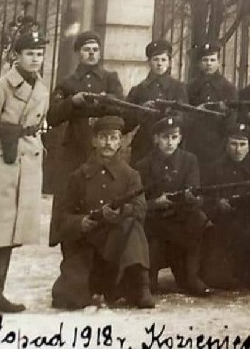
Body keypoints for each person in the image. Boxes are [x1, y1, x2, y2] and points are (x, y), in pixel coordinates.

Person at [0, 29, 50, 318]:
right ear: (16, 56)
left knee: (12, 232)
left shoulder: (41, 87)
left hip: (27, 161)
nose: (35, 59)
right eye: (30, 54)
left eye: (39, 54)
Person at [50, 116, 153, 309]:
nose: (108, 143)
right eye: (103, 137)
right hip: (86, 246)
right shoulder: (78, 176)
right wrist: (81, 222)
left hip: (115, 249)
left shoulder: (130, 176)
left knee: (133, 225)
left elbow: (141, 209)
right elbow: (62, 217)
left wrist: (122, 211)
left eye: (113, 138)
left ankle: (141, 286)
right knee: (68, 299)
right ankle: (93, 286)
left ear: (120, 142)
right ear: (94, 141)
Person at [47, 32, 127, 247]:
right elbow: (52, 116)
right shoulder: (67, 83)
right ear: (78, 53)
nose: (91, 54)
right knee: (71, 196)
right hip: (76, 148)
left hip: (104, 148)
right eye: (86, 49)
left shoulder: (111, 78)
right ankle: (69, 245)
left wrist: (105, 101)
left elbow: (122, 108)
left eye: (95, 50)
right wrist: (72, 102)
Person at [134, 116, 211, 296]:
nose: (170, 142)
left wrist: (191, 197)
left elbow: (195, 191)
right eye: (165, 137)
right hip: (155, 222)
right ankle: (150, 277)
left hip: (180, 219)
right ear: (156, 139)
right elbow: (137, 201)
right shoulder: (143, 165)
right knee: (150, 281)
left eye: (174, 137)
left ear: (180, 138)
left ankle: (191, 276)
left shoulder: (189, 160)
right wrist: (155, 203)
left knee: (196, 221)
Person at [199, 122, 250, 291]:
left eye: (243, 144)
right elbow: (203, 198)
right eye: (234, 144)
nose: (238, 149)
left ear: (249, 146)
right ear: (226, 144)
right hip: (221, 222)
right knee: (218, 279)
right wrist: (217, 204)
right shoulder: (213, 169)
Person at [126, 40, 188, 165]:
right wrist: (141, 110)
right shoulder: (139, 89)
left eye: (163, 60)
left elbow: (184, 117)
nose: (159, 64)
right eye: (156, 59)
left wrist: (172, 115)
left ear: (169, 62)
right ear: (149, 62)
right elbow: (127, 122)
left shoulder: (178, 87)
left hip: (170, 146)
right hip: (145, 146)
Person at [185, 42, 237, 166]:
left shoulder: (228, 88)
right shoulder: (190, 87)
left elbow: (232, 120)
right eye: (205, 60)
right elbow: (185, 115)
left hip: (218, 145)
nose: (209, 64)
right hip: (195, 143)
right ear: (199, 63)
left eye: (213, 60)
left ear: (218, 62)